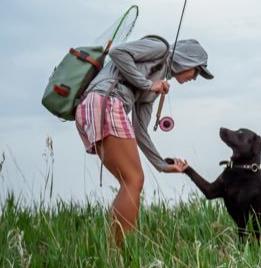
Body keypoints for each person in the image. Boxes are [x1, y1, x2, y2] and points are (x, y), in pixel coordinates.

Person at [75, 36, 214, 246]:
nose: (196, 77)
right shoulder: (160, 49)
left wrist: (162, 165)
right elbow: (118, 53)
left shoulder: (157, 88)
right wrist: (148, 84)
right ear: (187, 61)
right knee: (133, 180)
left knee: (130, 181)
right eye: (197, 70)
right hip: (105, 102)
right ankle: (123, 252)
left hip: (96, 107)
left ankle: (117, 252)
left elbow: (140, 131)